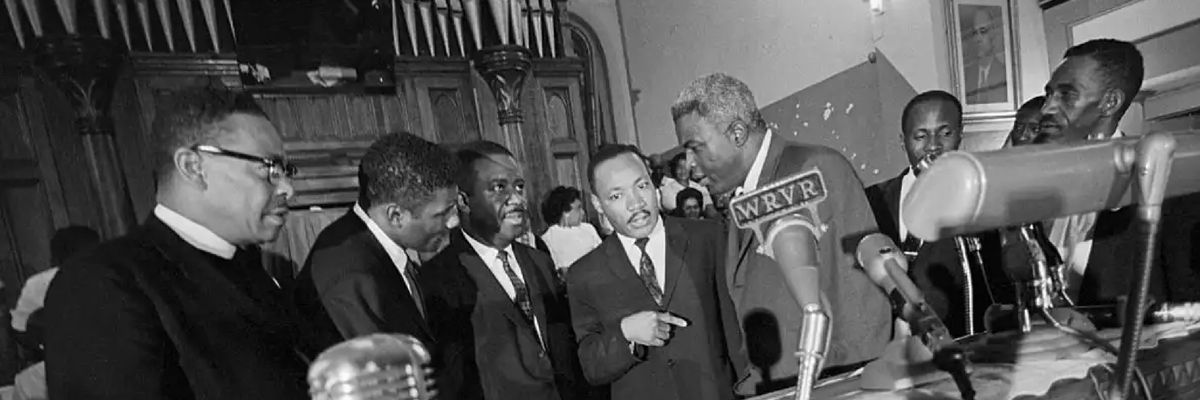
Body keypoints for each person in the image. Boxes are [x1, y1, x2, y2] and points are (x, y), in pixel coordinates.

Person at [45, 88, 315, 399]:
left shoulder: (246, 261)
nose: (288, 189)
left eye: (285, 171)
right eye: (269, 168)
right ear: (193, 167)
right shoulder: (101, 284)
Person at [672, 72, 891, 395]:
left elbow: (862, 303)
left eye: (695, 148)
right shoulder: (741, 195)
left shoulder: (813, 167)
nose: (688, 165)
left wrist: (849, 389)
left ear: (736, 132)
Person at [422, 141, 598, 400]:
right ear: (463, 200)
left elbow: (563, 352)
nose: (516, 199)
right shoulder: (439, 277)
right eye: (498, 188)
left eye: (519, 187)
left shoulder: (539, 261)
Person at [568, 144, 745, 400]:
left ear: (654, 185)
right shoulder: (583, 274)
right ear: (598, 204)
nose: (636, 204)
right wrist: (625, 334)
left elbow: (735, 329)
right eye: (616, 196)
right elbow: (591, 367)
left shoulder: (708, 238)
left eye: (641, 186)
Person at [1039, 39, 1200, 304]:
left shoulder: (1161, 189)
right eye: (1049, 94)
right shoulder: (1039, 181)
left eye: (1066, 95)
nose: (1047, 108)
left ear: (1110, 102)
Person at [293, 132, 459, 353]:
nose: (453, 221)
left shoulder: (369, 242)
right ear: (396, 216)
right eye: (442, 214)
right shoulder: (350, 277)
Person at [865, 90, 1012, 337]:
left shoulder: (983, 197)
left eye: (945, 134)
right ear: (903, 141)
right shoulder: (872, 200)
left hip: (961, 344)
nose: (933, 146)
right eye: (920, 136)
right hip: (889, 351)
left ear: (960, 135)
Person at [540, 186, 603, 273]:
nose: (583, 213)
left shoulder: (588, 228)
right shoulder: (548, 238)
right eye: (578, 208)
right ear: (565, 212)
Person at [964, 7, 1008, 105]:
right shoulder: (966, 76)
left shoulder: (1005, 73)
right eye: (975, 33)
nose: (978, 38)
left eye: (983, 31)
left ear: (993, 35)